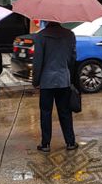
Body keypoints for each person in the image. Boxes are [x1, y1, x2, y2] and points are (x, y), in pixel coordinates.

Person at [32, 21, 77, 152]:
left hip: (46, 81)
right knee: (65, 112)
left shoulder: (41, 36)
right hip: (64, 80)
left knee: (46, 113)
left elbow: (37, 61)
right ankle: (70, 142)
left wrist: (36, 81)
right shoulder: (70, 35)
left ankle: (45, 144)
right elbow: (73, 58)